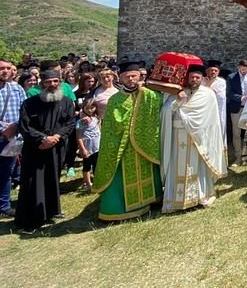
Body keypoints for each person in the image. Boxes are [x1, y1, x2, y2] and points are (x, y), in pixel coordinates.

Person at [93, 62, 163, 221]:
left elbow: (161, 105)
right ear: (121, 78)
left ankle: (151, 200)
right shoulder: (115, 100)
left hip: (143, 146)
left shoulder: (149, 95)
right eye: (127, 76)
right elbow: (112, 126)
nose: (131, 79)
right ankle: (121, 208)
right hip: (123, 148)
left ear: (139, 76)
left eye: (134, 76)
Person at [14, 70, 75, 233]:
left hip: (57, 147)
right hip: (35, 148)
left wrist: (56, 137)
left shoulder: (67, 102)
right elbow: (24, 126)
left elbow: (70, 123)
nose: (52, 85)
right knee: (34, 183)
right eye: (48, 82)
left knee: (52, 179)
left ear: (60, 82)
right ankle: (31, 221)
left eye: (55, 81)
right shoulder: (30, 103)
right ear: (42, 83)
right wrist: (42, 139)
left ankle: (50, 212)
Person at [161, 64, 226, 213]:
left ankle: (200, 197)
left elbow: (211, 120)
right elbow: (165, 113)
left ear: (202, 78)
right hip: (177, 138)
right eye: (192, 77)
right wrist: (177, 100)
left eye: (197, 77)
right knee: (177, 168)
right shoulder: (177, 92)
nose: (194, 79)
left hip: (197, 139)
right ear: (187, 78)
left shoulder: (208, 94)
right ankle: (175, 201)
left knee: (196, 168)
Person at [0, 58, 26, 217]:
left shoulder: (17, 89)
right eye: (2, 68)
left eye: (8, 68)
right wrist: (4, 129)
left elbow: (25, 111)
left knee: (5, 173)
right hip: (5, 133)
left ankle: (4, 206)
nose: (6, 71)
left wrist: (15, 127)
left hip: (11, 140)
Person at [226, 60, 247, 166]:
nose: (245, 71)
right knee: (236, 134)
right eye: (243, 69)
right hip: (236, 108)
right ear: (239, 67)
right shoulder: (231, 77)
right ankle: (238, 157)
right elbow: (229, 93)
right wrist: (241, 98)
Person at [203, 60, 228, 148]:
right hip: (204, 112)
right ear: (207, 71)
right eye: (211, 70)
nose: (213, 72)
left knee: (218, 134)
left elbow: (215, 95)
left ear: (218, 72)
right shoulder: (202, 80)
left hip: (217, 112)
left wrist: (207, 87)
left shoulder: (221, 82)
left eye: (215, 70)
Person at [76, 98, 100, 191]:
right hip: (87, 148)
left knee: (96, 164)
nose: (90, 110)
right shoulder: (81, 122)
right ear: (83, 108)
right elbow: (79, 137)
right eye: (87, 108)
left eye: (92, 107)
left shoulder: (97, 119)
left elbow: (99, 130)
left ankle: (97, 181)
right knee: (87, 166)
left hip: (97, 147)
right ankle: (87, 183)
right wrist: (82, 149)